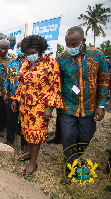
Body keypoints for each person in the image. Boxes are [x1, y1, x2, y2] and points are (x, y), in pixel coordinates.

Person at [56, 26, 109, 184]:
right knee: (68, 137)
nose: (70, 48)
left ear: (83, 41)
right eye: (68, 44)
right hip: (68, 107)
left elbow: (104, 81)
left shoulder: (97, 55)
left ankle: (74, 158)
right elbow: (58, 82)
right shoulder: (61, 58)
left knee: (85, 137)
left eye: (74, 44)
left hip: (89, 108)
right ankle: (70, 169)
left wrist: (101, 105)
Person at [11, 35, 63, 175]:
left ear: (40, 50)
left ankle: (33, 163)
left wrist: (49, 108)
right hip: (25, 106)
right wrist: (15, 99)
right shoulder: (26, 64)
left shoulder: (50, 64)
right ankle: (29, 153)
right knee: (26, 132)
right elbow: (21, 84)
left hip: (40, 107)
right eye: (27, 53)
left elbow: (55, 87)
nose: (29, 55)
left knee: (36, 135)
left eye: (32, 52)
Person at [3, 40, 28, 152]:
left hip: (25, 98)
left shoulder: (31, 64)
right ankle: (10, 138)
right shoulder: (12, 62)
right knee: (10, 120)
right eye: (18, 47)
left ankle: (24, 143)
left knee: (24, 121)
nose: (19, 49)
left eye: (21, 47)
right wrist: (5, 92)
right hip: (12, 96)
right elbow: (6, 78)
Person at [0, 39, 12, 137]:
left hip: (5, 89)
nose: (4, 51)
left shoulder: (11, 58)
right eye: (1, 48)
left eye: (6, 49)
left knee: (2, 109)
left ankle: (0, 128)